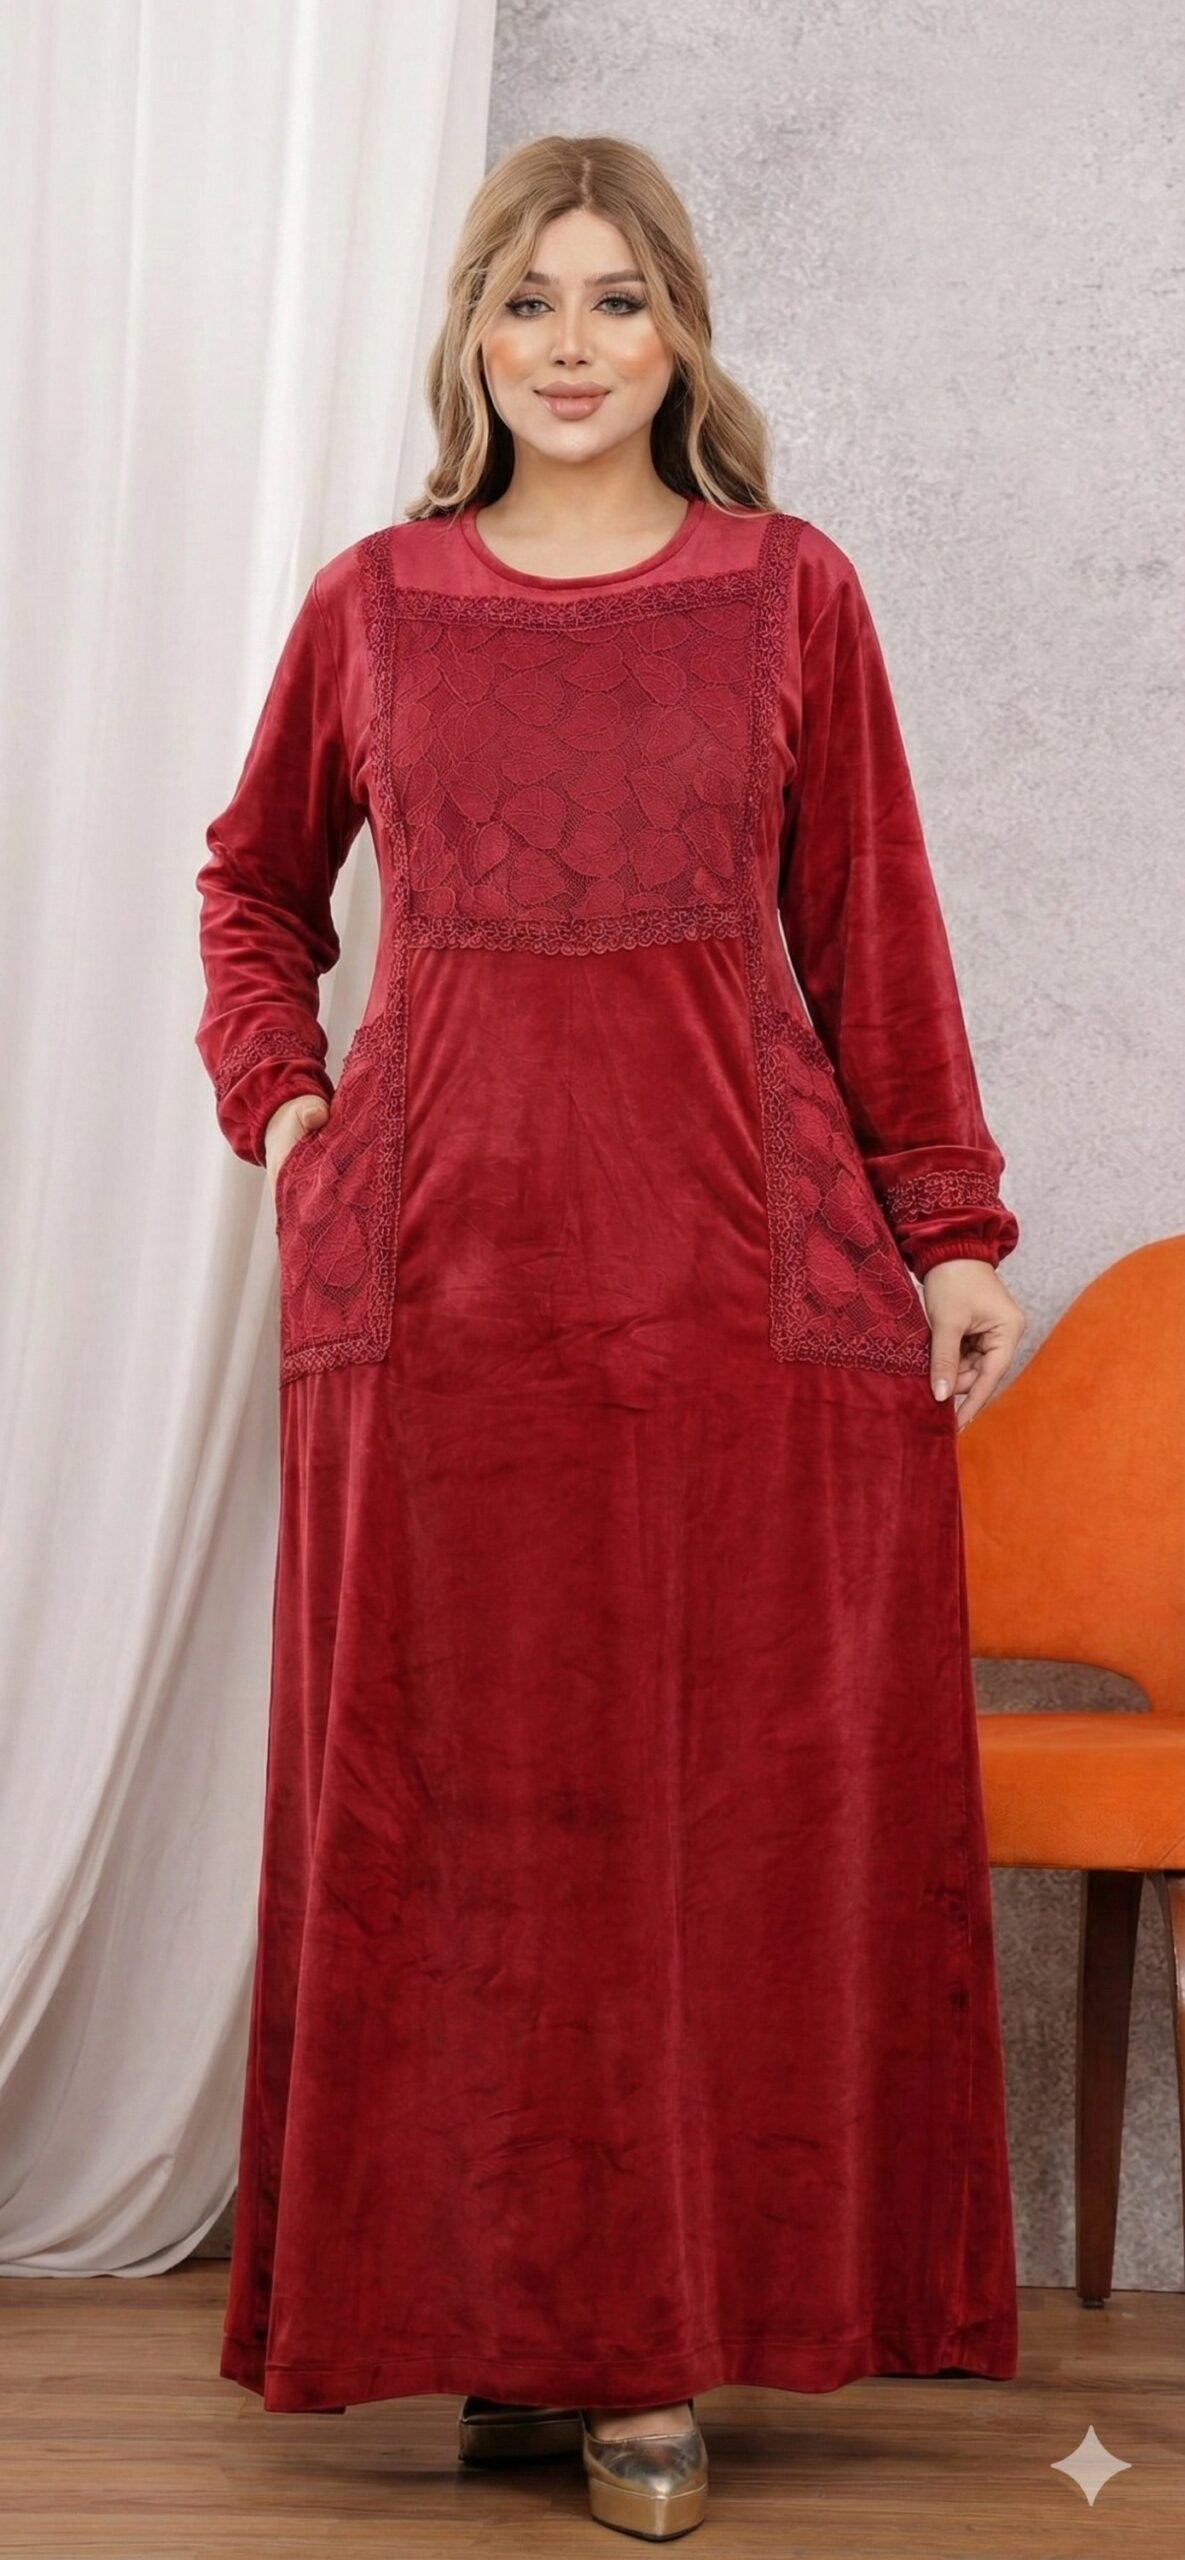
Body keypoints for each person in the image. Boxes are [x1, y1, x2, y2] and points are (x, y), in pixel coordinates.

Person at [194, 132, 1027, 2545]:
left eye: (617, 300)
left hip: (732, 1300)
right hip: (433, 1299)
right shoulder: (372, 604)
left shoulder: (790, 592)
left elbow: (872, 921)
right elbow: (253, 886)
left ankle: (642, 2350)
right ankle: (503, 2320)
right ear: (470, 336)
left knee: (694, 1820)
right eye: (527, 301)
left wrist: (947, 1227)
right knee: (461, 1817)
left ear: (680, 334)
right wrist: (294, 1119)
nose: (570, 346)